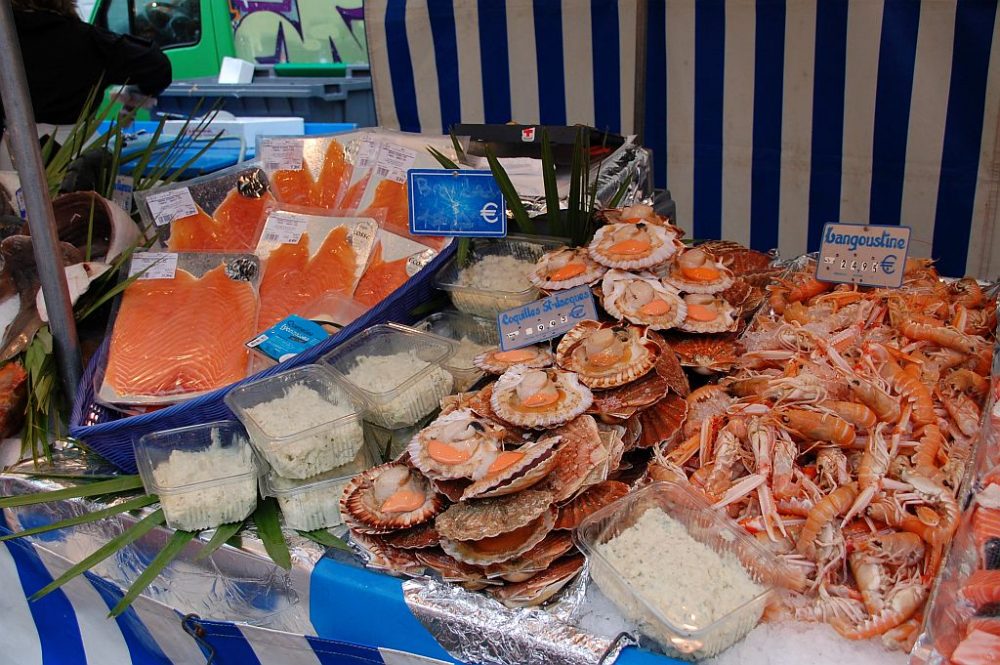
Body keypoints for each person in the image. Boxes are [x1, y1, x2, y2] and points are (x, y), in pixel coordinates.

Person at [0, 0, 172, 136]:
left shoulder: (7, 41)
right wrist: (136, 94)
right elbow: (158, 66)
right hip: (75, 159)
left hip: (7, 160)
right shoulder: (88, 41)